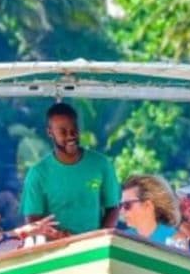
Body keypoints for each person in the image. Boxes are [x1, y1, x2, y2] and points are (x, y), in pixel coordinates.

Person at [21, 102, 120, 238]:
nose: (71, 135)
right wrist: (57, 236)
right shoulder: (38, 173)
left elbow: (113, 208)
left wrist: (100, 238)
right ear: (50, 132)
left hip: (95, 249)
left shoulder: (102, 164)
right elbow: (32, 219)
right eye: (63, 131)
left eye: (74, 129)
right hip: (55, 250)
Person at [119, 174, 180, 245]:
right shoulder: (123, 238)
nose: (121, 211)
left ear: (148, 205)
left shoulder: (175, 239)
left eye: (127, 205)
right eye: (121, 205)